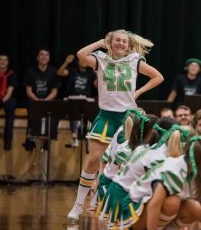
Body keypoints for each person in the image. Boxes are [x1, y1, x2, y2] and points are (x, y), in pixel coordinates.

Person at [67, 29, 164, 220]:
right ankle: (78, 205)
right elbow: (81, 54)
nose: (120, 43)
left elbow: (158, 77)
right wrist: (100, 42)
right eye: (117, 40)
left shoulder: (135, 60)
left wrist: (137, 93)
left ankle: (109, 205)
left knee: (121, 163)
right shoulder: (101, 59)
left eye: (124, 41)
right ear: (110, 43)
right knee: (94, 159)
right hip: (106, 117)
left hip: (127, 118)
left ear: (129, 46)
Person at [57, 54, 97, 147]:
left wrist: (97, 73)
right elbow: (60, 73)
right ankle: (74, 136)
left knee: (92, 109)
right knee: (73, 109)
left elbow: (97, 85)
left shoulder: (90, 73)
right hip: (73, 98)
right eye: (81, 60)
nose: (83, 62)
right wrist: (66, 62)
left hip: (86, 99)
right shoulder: (72, 71)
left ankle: (89, 134)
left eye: (85, 60)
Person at [23, 48, 60, 145]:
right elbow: (28, 91)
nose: (44, 57)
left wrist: (45, 101)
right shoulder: (30, 71)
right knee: (32, 109)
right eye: (42, 54)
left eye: (46, 55)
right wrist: (38, 100)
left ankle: (50, 137)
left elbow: (54, 92)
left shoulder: (53, 71)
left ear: (49, 58)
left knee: (56, 109)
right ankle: (31, 138)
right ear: (37, 58)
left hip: (48, 99)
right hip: (34, 99)